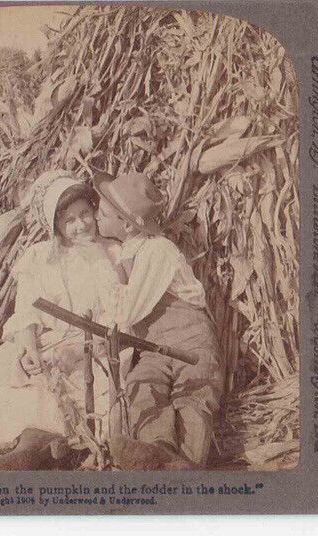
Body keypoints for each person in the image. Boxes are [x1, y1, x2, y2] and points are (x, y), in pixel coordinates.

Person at [0, 170, 123, 466]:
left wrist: (79, 351)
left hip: (95, 345)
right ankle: (27, 444)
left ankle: (53, 445)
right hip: (47, 342)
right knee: (10, 375)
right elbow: (25, 312)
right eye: (70, 221)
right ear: (55, 226)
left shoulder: (111, 253)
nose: (81, 225)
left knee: (88, 387)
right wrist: (30, 348)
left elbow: (120, 315)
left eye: (85, 214)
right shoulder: (39, 257)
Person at [92, 170, 224, 468]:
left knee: (192, 395)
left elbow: (126, 311)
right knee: (142, 386)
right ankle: (158, 451)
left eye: (102, 213)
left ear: (126, 224)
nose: (97, 218)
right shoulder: (128, 252)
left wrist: (103, 272)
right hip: (154, 349)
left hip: (191, 345)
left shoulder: (156, 251)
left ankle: (187, 463)